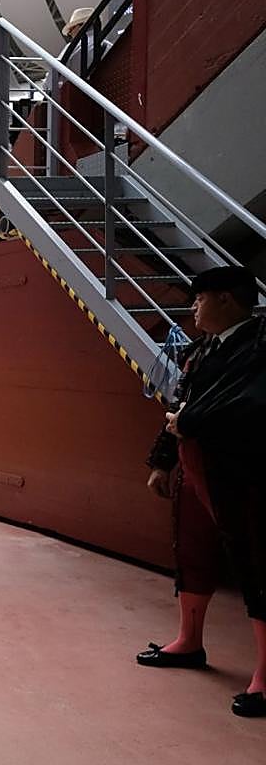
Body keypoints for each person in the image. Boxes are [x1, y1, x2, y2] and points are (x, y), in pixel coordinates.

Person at [139, 265, 266, 718]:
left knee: (257, 564)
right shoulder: (202, 350)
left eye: (201, 298)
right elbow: (179, 403)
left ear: (227, 300)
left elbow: (246, 409)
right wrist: (162, 460)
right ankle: (190, 641)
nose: (193, 307)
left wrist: (186, 428)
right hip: (199, 468)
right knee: (192, 552)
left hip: (247, 473)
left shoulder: (260, 345)